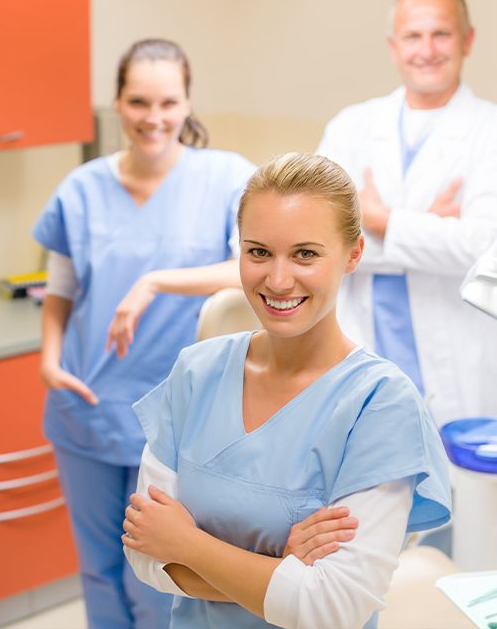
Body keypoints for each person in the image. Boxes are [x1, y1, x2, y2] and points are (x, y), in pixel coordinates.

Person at [122, 153, 451, 629]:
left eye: (306, 254)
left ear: (353, 254)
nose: (277, 280)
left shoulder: (379, 404)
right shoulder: (196, 372)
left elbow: (333, 608)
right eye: (258, 252)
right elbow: (146, 558)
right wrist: (282, 568)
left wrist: (188, 545)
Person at [32, 38, 256, 629]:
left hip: (178, 416)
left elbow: (253, 265)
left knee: (162, 575)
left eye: (168, 102)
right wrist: (50, 361)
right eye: (138, 102)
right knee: (99, 569)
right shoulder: (80, 189)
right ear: (117, 101)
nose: (153, 118)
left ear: (187, 102)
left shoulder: (227, 178)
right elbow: (61, 290)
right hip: (84, 404)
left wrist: (155, 280)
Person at [316, 0, 497, 427]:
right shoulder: (352, 126)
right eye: (413, 36)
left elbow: (481, 248)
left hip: (457, 366)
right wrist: (426, 230)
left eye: (442, 34)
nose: (427, 50)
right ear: (393, 46)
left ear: (468, 40)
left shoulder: (489, 130)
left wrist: (376, 218)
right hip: (361, 355)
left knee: (457, 493)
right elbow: (314, 244)